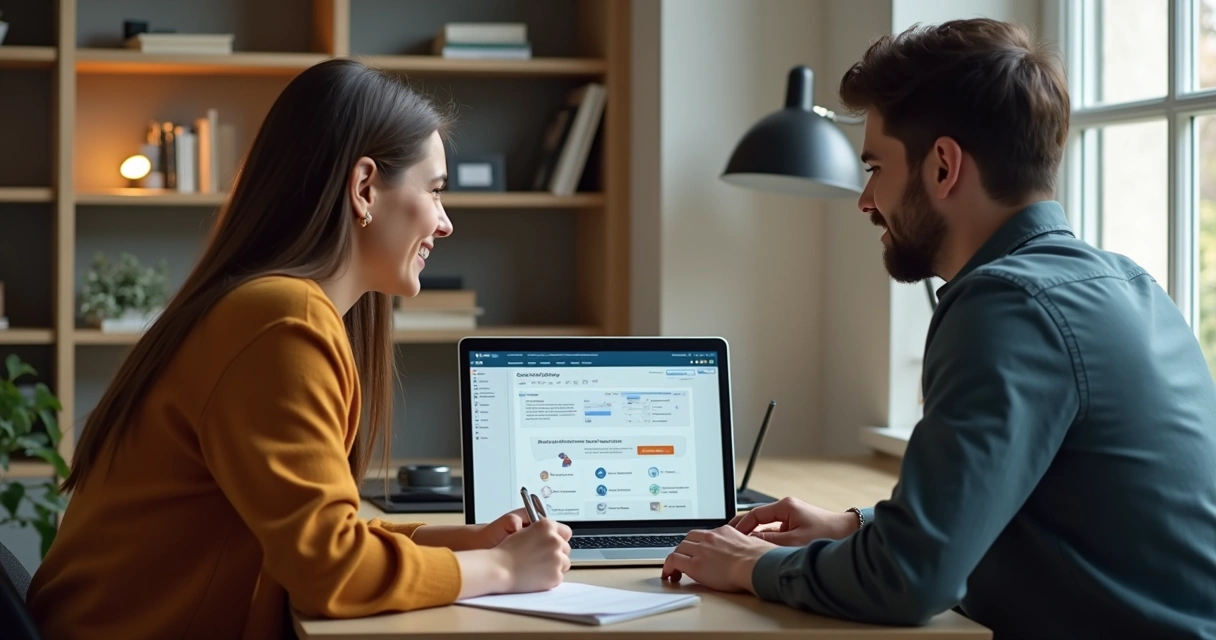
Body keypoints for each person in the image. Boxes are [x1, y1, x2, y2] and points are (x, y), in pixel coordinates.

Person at [661, 18, 1216, 639]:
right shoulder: (1131, 284)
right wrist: (859, 525)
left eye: (874, 167)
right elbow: (1027, 510)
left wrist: (756, 566)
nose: (865, 201)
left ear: (944, 166)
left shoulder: (1005, 305)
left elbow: (908, 580)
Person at [27, 59, 572, 640]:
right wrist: (501, 567)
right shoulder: (282, 319)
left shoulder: (264, 308)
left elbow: (317, 537)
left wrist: (455, 542)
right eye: (435, 191)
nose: (444, 224)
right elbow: (329, 571)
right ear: (364, 187)